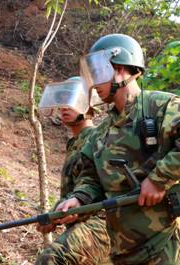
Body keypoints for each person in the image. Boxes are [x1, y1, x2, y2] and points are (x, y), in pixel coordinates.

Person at [55, 34, 180, 265]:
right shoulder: (102, 131)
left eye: (99, 73)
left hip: (166, 249)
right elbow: (91, 178)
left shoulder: (158, 106)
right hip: (124, 252)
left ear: (122, 69)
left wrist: (159, 179)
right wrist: (79, 200)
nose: (93, 83)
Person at [36, 77, 111, 265]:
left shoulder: (97, 137)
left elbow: (100, 188)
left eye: (71, 99)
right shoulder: (75, 142)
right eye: (61, 99)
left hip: (103, 222)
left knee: (52, 259)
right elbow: (75, 191)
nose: (64, 106)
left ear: (89, 105)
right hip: (83, 223)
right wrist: (54, 214)